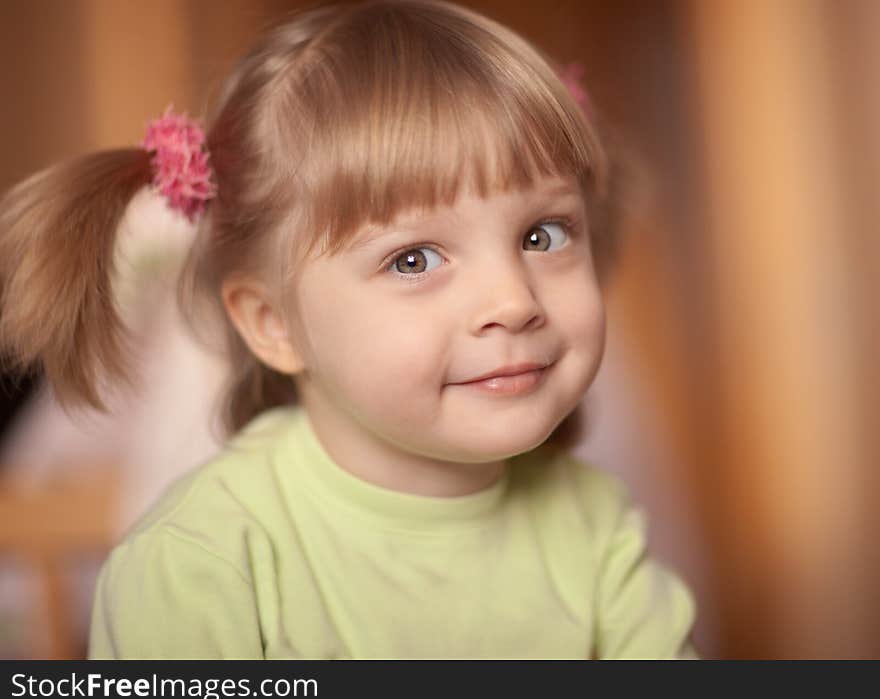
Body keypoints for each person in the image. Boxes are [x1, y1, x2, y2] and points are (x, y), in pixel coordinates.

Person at [0, 0, 698, 659]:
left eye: (543, 235)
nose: (514, 302)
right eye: (414, 258)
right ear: (273, 326)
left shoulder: (595, 525)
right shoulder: (206, 557)